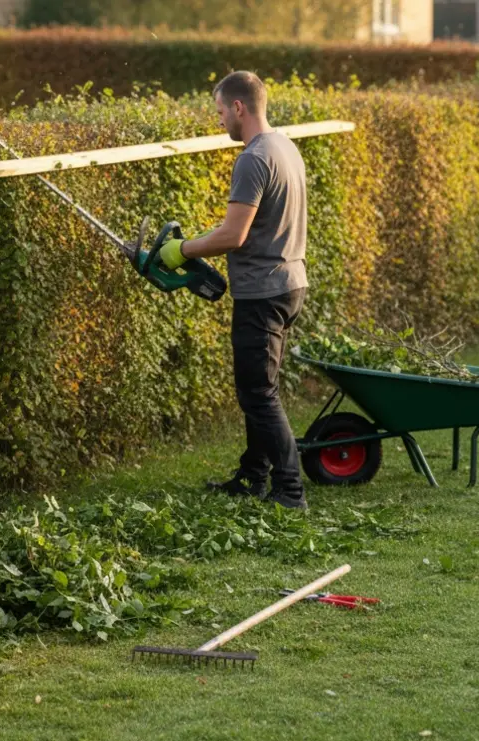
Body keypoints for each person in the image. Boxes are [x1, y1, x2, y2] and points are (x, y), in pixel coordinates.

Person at [159, 70, 310, 509]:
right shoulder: (285, 146)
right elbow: (247, 226)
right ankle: (252, 476)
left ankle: (290, 492)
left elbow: (234, 235)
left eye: (221, 110)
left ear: (239, 108)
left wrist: (181, 250)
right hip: (288, 282)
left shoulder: (252, 158)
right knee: (257, 389)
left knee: (259, 394)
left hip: (263, 291)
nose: (220, 118)